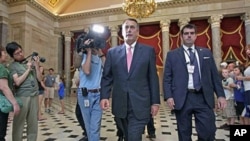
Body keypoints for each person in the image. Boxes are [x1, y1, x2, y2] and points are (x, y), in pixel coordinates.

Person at [163, 24, 227, 141]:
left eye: (192, 33)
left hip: (203, 97)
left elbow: (214, 76)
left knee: (208, 131)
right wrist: (168, 96)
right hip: (183, 98)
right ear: (181, 36)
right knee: (184, 133)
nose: (189, 36)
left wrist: (221, 95)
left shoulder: (206, 53)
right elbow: (167, 78)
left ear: (196, 36)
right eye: (186, 33)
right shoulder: (172, 55)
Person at [100, 18, 160, 141]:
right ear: (122, 32)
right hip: (120, 105)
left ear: (137, 32)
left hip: (141, 103)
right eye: (126, 27)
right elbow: (107, 77)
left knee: (133, 136)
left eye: (132, 27)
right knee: (128, 135)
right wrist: (104, 96)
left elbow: (153, 78)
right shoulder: (112, 52)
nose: (129, 30)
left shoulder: (148, 51)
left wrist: (155, 102)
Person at [6, 41, 42, 141]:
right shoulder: (12, 66)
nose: (21, 54)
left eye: (21, 51)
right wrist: (28, 69)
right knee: (19, 124)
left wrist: (37, 65)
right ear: (12, 55)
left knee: (33, 123)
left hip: (34, 95)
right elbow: (17, 82)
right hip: (22, 97)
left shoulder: (29, 63)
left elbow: (39, 79)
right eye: (17, 53)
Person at [77, 39, 106, 141]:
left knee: (95, 127)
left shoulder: (99, 57)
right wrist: (88, 51)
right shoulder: (83, 55)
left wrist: (100, 53)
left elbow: (108, 70)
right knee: (89, 126)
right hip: (85, 95)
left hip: (98, 94)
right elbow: (87, 70)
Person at [0, 46, 20, 141]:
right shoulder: (1, 68)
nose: (5, 55)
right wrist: (14, 103)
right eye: (4, 53)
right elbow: (4, 87)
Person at [236, 44, 250, 125]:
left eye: (248, 49)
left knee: (246, 114)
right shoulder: (247, 64)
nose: (247, 51)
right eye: (246, 50)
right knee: (245, 114)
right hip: (247, 89)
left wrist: (242, 78)